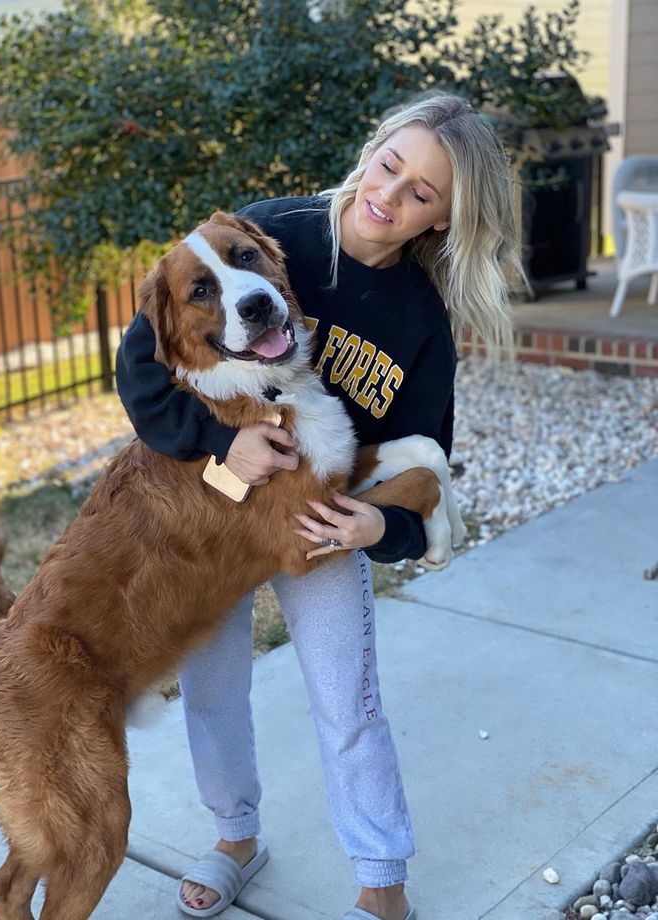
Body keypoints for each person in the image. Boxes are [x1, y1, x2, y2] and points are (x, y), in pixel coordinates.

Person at [115, 92, 520, 920]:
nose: (391, 195)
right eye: (390, 166)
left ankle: (382, 884)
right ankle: (235, 835)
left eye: (422, 193)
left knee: (348, 700)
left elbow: (424, 462)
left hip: (321, 526)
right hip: (217, 506)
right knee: (211, 685)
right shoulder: (268, 236)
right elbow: (142, 366)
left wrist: (384, 526)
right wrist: (220, 444)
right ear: (371, 153)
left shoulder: (420, 322)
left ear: (442, 219)